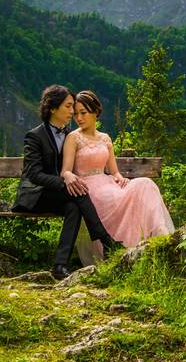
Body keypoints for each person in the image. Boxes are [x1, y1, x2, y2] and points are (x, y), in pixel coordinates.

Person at [12, 84, 121, 280]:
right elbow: (33, 174)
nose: (73, 112)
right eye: (68, 106)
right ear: (53, 108)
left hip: (63, 194)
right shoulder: (35, 136)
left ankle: (60, 265)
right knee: (77, 191)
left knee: (74, 205)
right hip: (38, 194)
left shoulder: (73, 135)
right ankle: (106, 240)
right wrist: (65, 181)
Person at [61, 90, 175, 260]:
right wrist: (68, 175)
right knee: (117, 197)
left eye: (83, 113)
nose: (79, 118)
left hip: (107, 183)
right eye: (76, 113)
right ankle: (122, 248)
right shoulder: (73, 138)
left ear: (95, 112)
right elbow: (66, 170)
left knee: (145, 184)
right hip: (88, 189)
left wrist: (120, 178)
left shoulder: (105, 138)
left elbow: (114, 171)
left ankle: (161, 235)